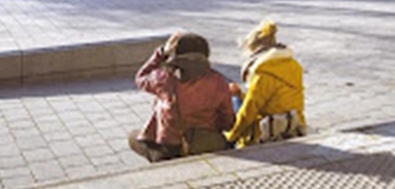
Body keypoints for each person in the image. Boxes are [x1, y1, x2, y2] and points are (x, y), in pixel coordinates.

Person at [129, 31, 235, 162]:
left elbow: (141, 77)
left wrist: (162, 53)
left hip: (169, 146)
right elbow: (228, 122)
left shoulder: (163, 78)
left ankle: (159, 159)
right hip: (204, 142)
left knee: (133, 137)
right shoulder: (218, 81)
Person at [224, 20, 306, 148]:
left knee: (235, 102)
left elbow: (249, 111)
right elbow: (273, 97)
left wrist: (230, 137)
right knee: (237, 96)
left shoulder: (264, 73)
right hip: (294, 124)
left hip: (270, 130)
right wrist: (240, 93)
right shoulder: (292, 65)